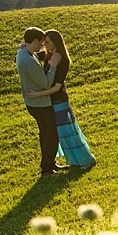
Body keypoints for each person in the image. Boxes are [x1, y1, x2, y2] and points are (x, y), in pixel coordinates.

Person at [25, 29, 96, 171]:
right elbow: (31, 54)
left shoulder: (63, 60)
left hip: (59, 101)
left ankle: (86, 160)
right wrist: (23, 46)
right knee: (58, 133)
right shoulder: (47, 54)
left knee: (68, 132)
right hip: (50, 101)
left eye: (47, 42)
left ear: (56, 43)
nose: (44, 44)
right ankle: (69, 161)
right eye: (43, 41)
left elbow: (57, 87)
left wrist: (38, 94)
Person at [16, 27, 64, 176]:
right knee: (50, 135)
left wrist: (22, 45)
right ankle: (47, 168)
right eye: (41, 43)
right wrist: (54, 66)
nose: (42, 46)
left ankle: (49, 164)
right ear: (34, 41)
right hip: (41, 104)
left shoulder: (22, 52)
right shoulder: (29, 61)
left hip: (33, 103)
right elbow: (46, 83)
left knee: (45, 134)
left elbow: (24, 48)